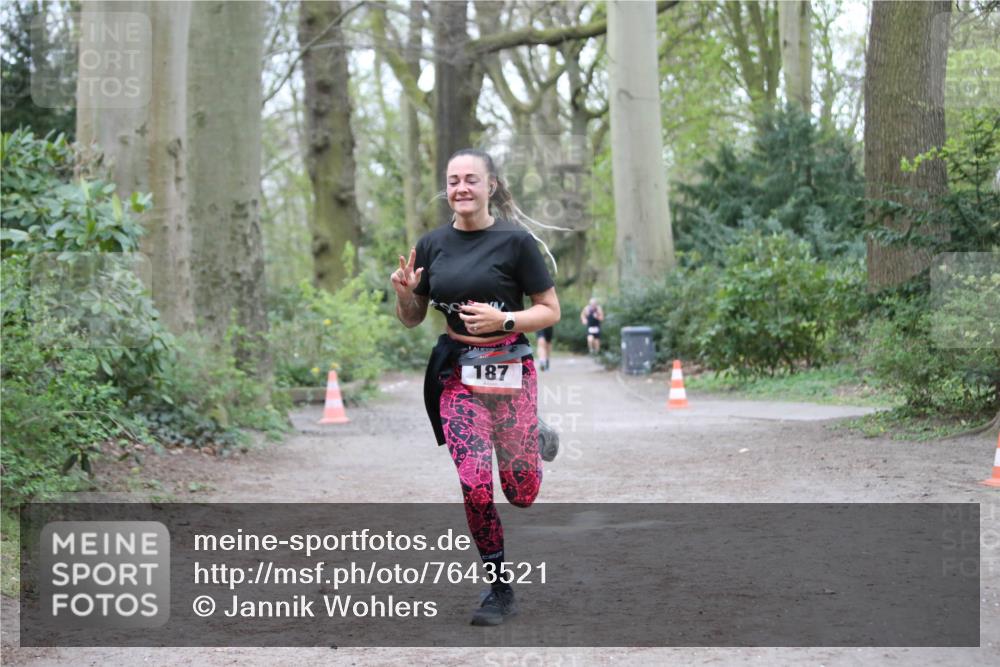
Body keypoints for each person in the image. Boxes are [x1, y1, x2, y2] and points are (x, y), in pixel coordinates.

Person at [390, 148, 560, 626]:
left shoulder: (516, 242)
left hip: (510, 368)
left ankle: (535, 432)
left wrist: (503, 317)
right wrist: (405, 296)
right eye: (453, 180)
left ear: (492, 186)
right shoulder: (430, 245)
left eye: (471, 179)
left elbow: (550, 310)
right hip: (457, 373)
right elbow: (412, 319)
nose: (460, 188)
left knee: (521, 492)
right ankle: (498, 588)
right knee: (475, 484)